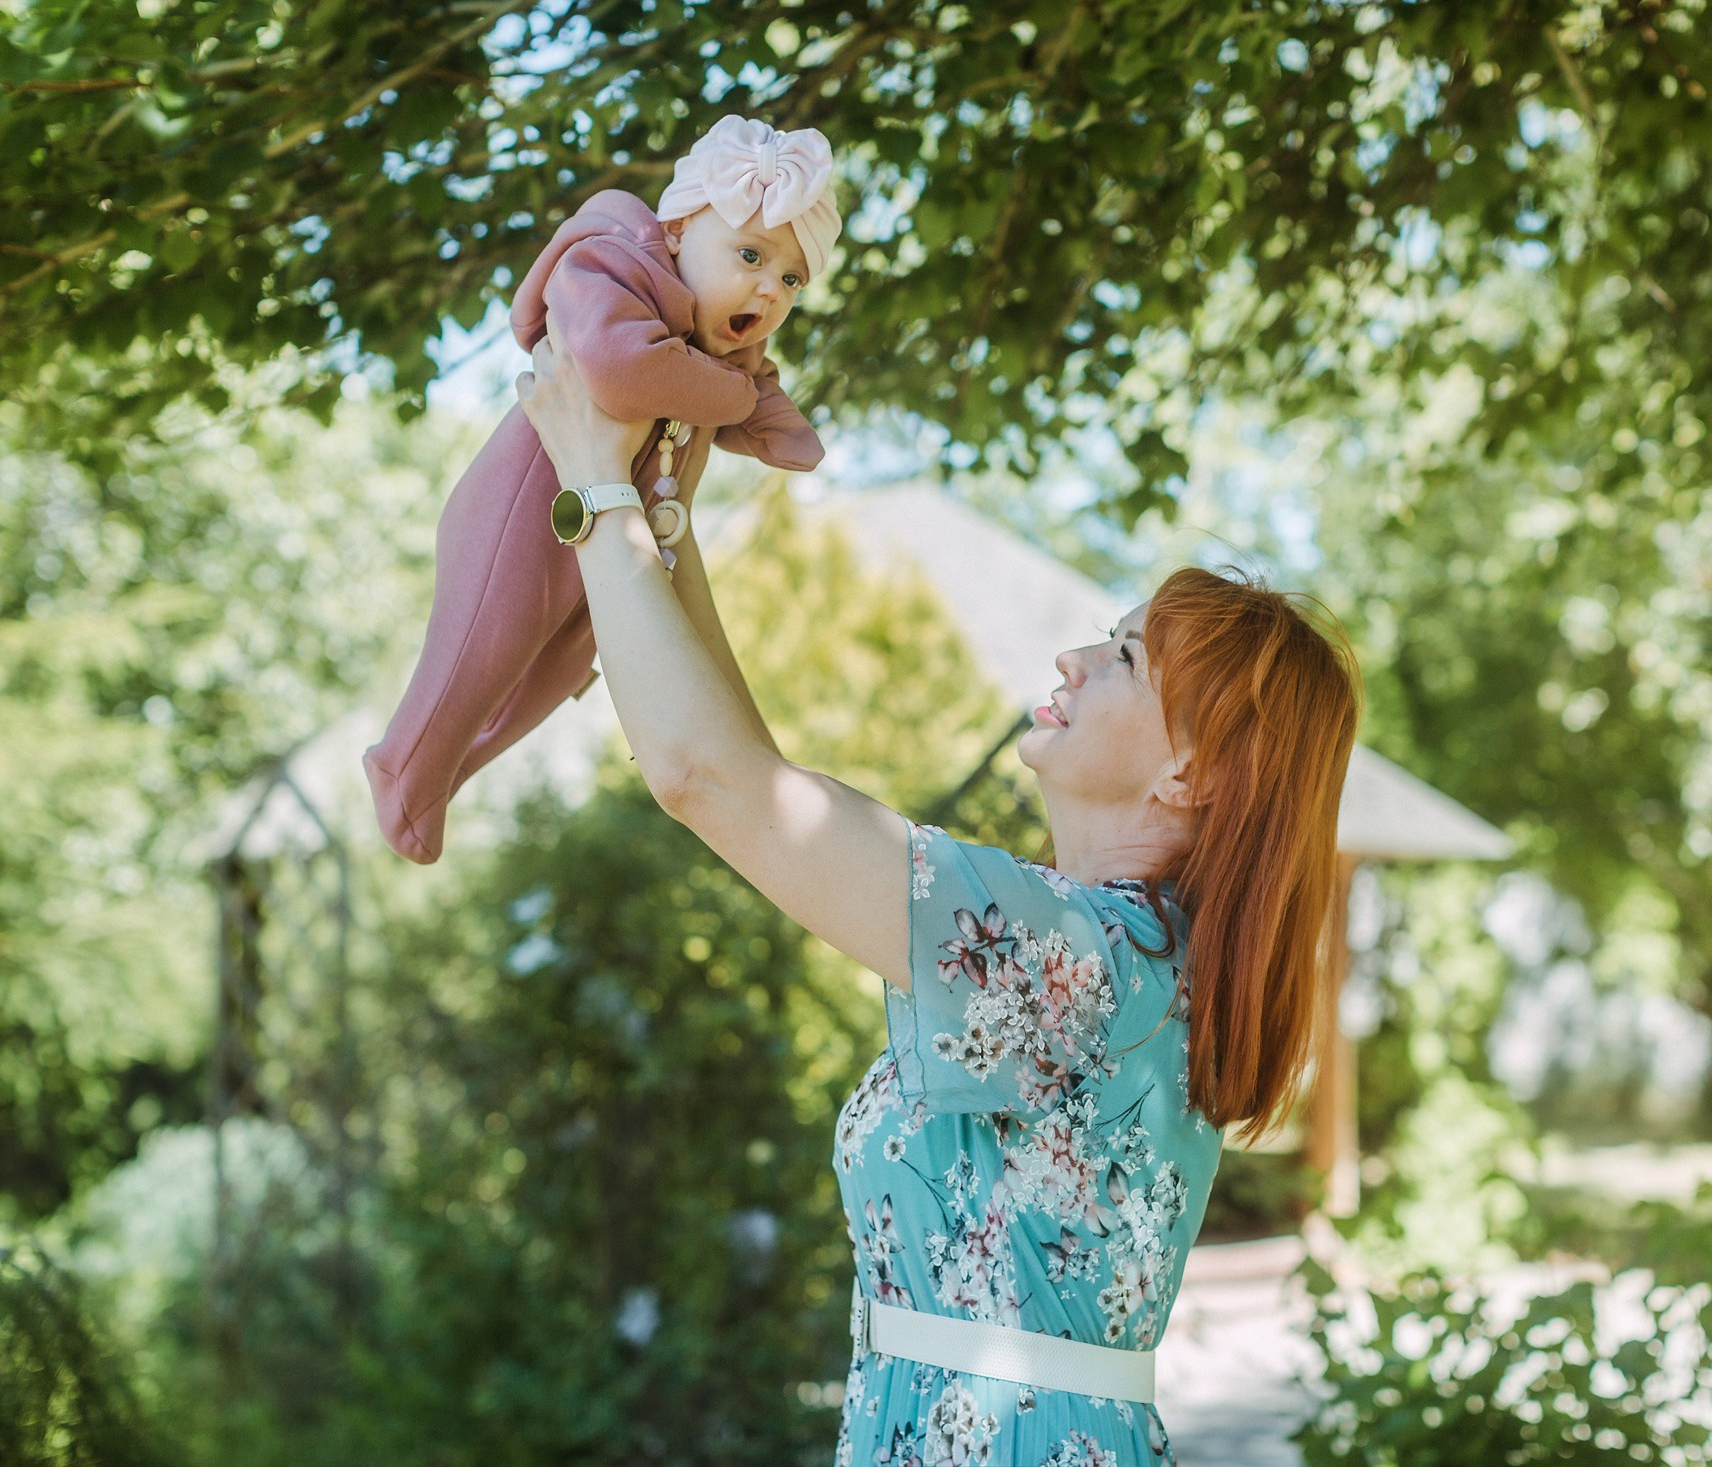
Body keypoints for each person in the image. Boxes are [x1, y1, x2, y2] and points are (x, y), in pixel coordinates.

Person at [513, 318, 1360, 1466]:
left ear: (1192, 772)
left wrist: (594, 486)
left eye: (1123, 658)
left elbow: (709, 780)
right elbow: (754, 773)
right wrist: (664, 515)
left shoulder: (1084, 960)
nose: (1072, 659)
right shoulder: (1126, 962)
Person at [365, 115, 838, 865]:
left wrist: (751, 399)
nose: (769, 289)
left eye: (790, 280)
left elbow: (791, 442)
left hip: (610, 540)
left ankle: (443, 778)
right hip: (523, 521)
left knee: (547, 677)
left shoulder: (726, 353)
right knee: (477, 659)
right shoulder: (609, 269)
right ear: (679, 229)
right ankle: (404, 764)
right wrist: (740, 399)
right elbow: (623, 371)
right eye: (750, 255)